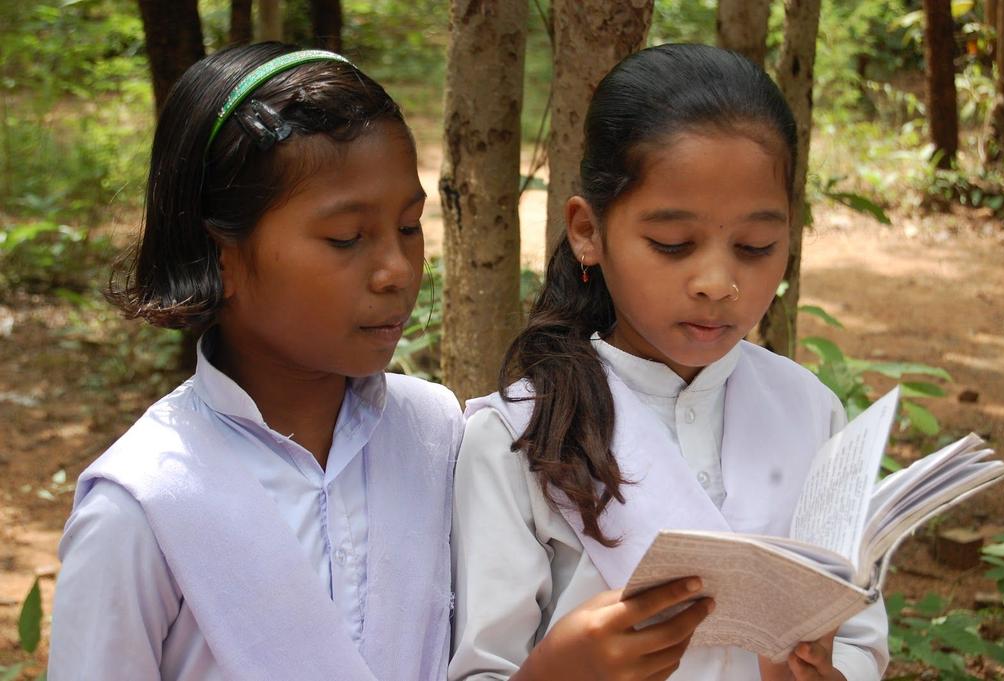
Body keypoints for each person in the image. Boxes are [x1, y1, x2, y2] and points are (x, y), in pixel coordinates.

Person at [449, 43, 888, 681]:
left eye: (755, 245)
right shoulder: (518, 437)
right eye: (673, 244)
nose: (717, 281)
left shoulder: (809, 410)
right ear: (587, 231)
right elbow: (482, 666)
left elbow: (858, 634)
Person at [48, 42, 462, 681]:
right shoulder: (145, 506)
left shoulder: (438, 436)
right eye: (346, 238)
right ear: (221, 257)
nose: (398, 271)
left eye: (409, 226)